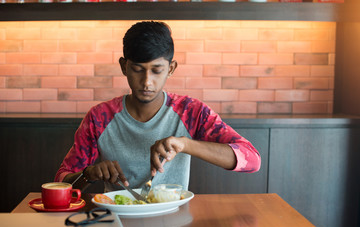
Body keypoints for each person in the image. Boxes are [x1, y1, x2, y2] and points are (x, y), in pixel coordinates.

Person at [55, 21, 261, 192]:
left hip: (174, 222)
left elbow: (251, 159)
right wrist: (88, 174)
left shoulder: (190, 112)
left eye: (156, 70)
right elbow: (60, 183)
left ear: (171, 69)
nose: (147, 82)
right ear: (123, 66)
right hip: (117, 222)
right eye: (137, 69)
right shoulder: (99, 118)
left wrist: (185, 145)